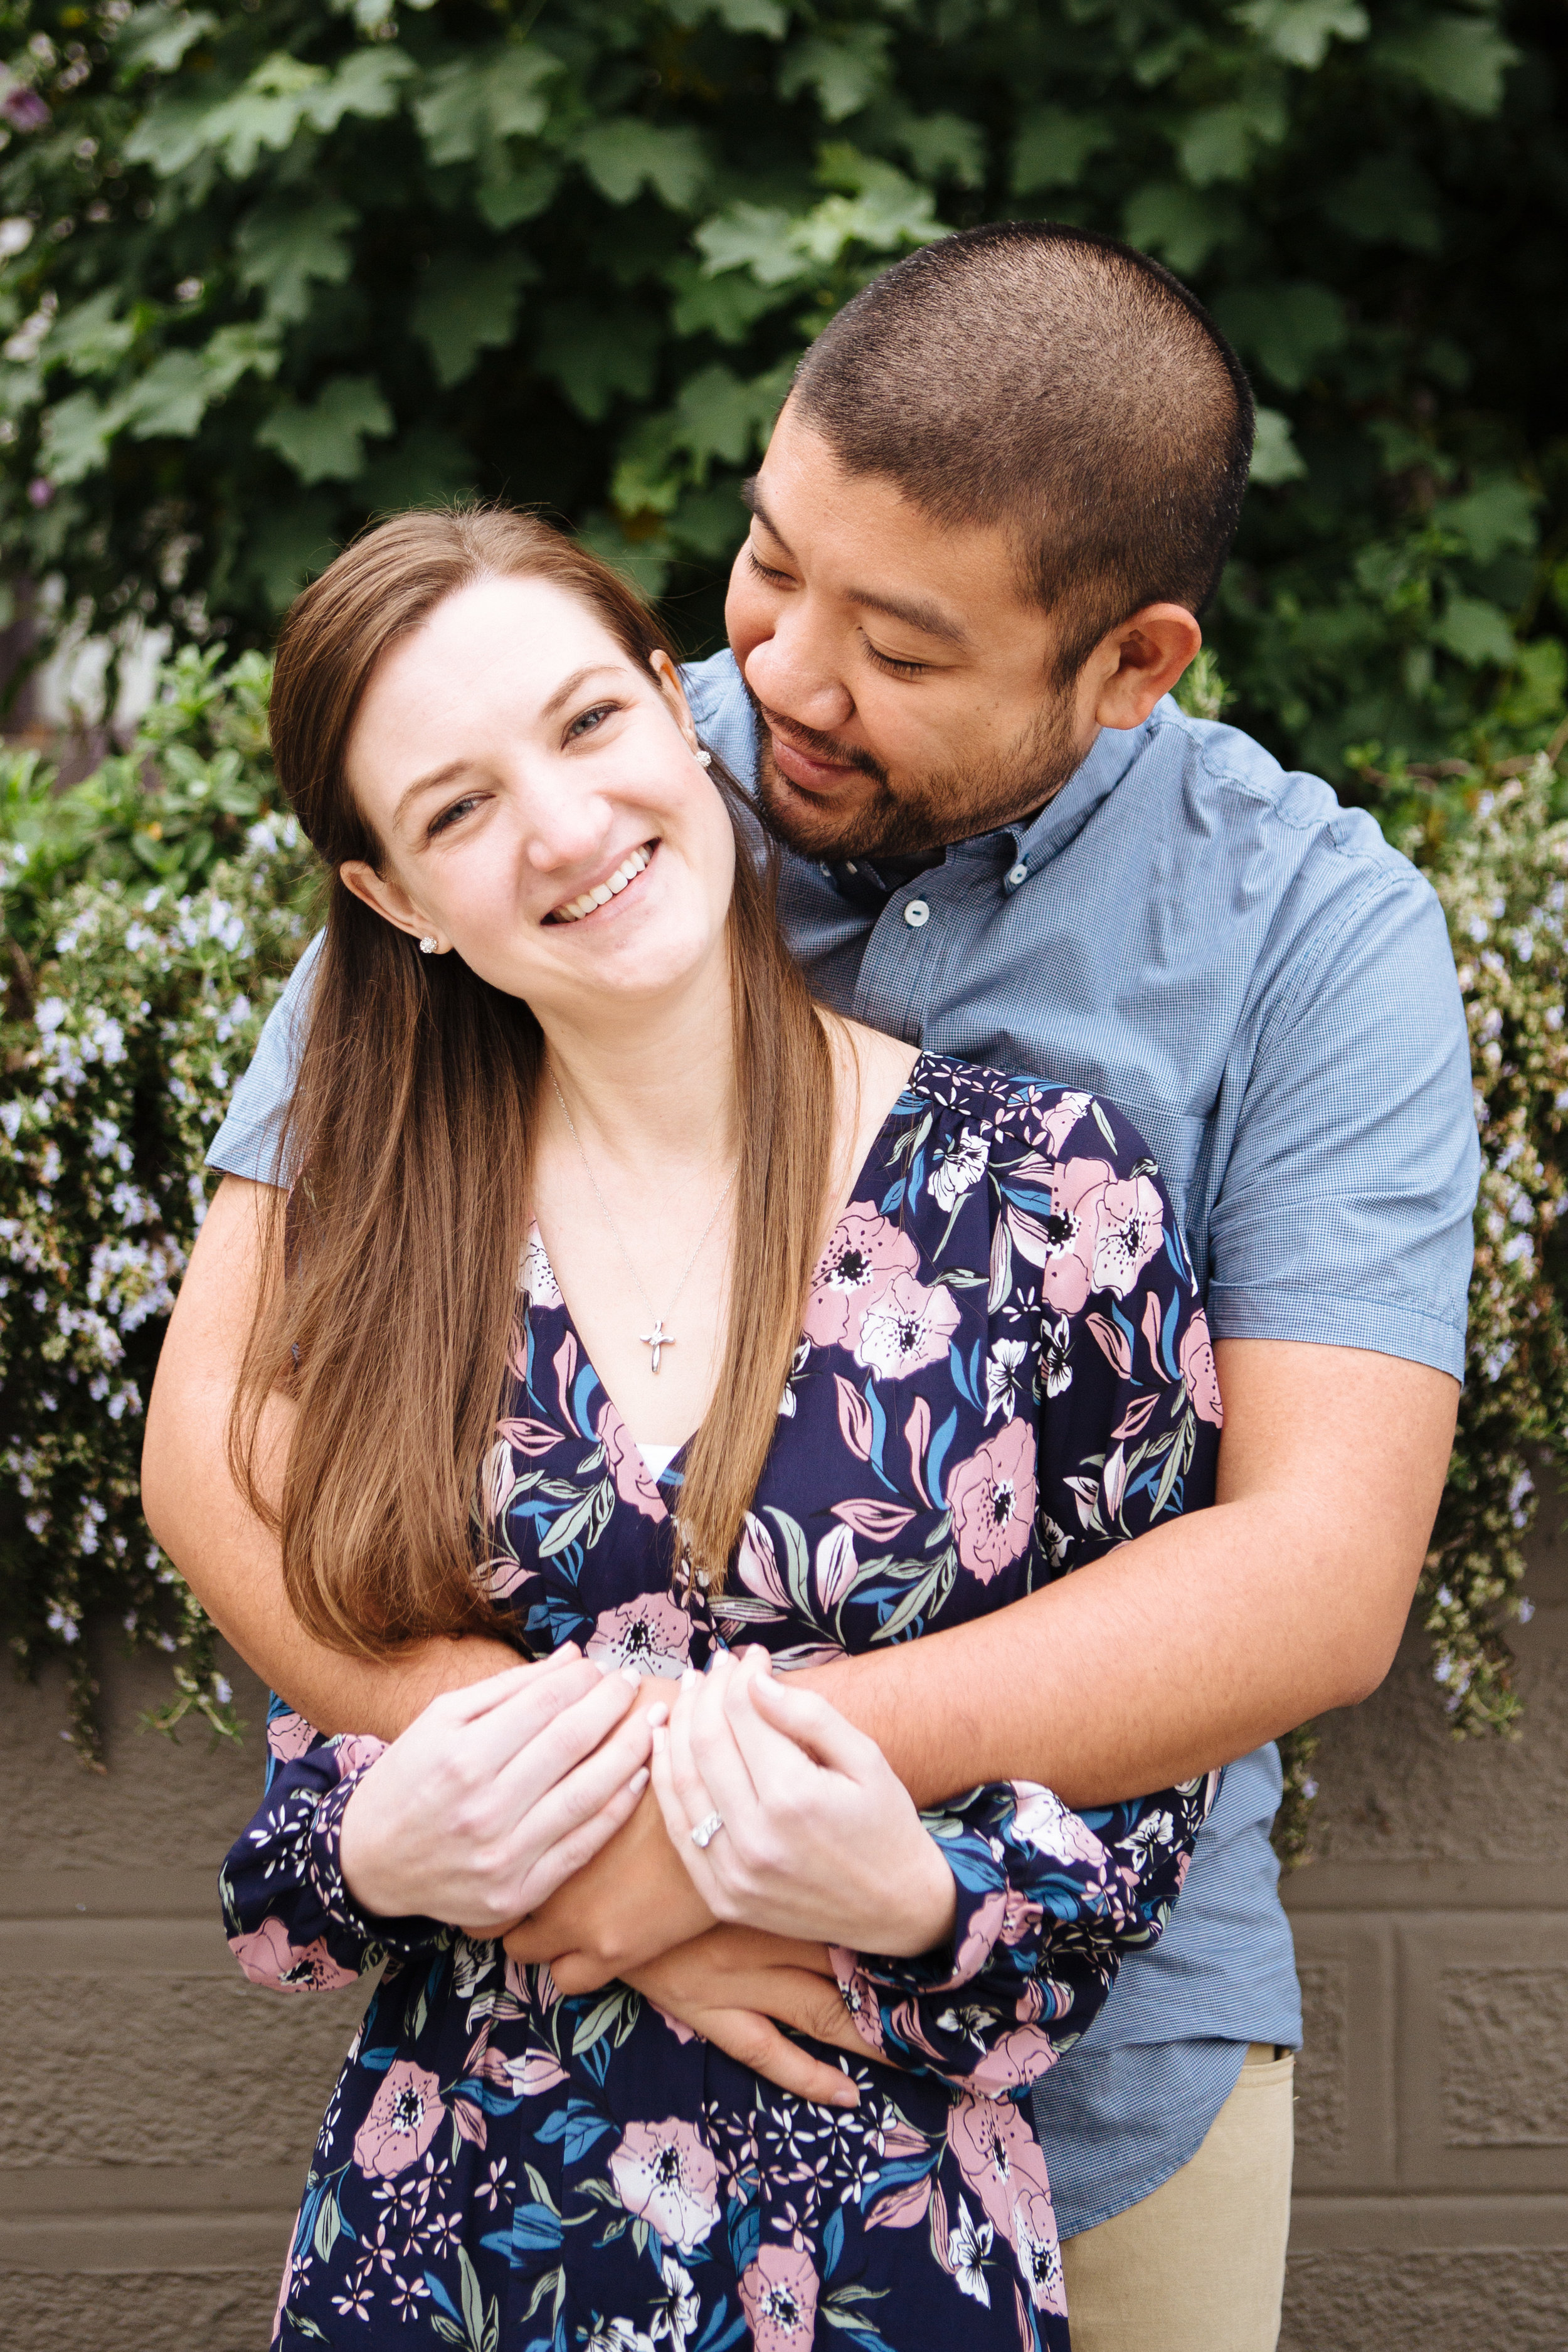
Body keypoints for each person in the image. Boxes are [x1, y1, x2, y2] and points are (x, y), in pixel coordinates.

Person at [144, 221, 1478, 2352]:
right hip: (520, 2094)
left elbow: (1313, 1570)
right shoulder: (568, 789)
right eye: (770, 565)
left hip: (1094, 2083)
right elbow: (231, 1434)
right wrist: (576, 1834)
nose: (775, 679)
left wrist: (732, 1816)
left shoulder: (1309, 936)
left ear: (1130, 661)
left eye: (900, 646)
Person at [211, 502, 1221, 2347]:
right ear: (394, 903)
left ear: (685, 721)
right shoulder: (376, 1241)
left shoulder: (1050, 1202)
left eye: (589, 725)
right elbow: (316, 1758)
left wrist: (918, 1887)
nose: (566, 826)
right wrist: (367, 1854)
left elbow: (1155, 1791)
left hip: (884, 2247)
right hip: (443, 2241)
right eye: (455, 810)